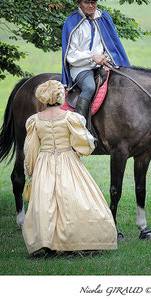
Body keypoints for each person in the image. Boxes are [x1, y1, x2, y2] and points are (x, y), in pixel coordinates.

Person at [22, 80, 117, 255]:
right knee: (73, 199)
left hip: (44, 162)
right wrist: (79, 151)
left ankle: (47, 242)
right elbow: (84, 143)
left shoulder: (35, 120)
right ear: (60, 96)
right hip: (67, 159)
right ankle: (76, 240)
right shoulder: (70, 117)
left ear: (43, 98)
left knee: (46, 202)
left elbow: (31, 149)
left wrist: (31, 170)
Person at [61, 0, 130, 120]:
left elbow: (111, 45)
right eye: (87, 2)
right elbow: (71, 55)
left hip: (103, 64)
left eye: (94, 2)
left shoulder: (103, 18)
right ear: (79, 2)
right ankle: (79, 124)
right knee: (89, 87)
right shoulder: (72, 22)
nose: (91, 6)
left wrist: (107, 60)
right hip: (81, 67)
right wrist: (92, 57)